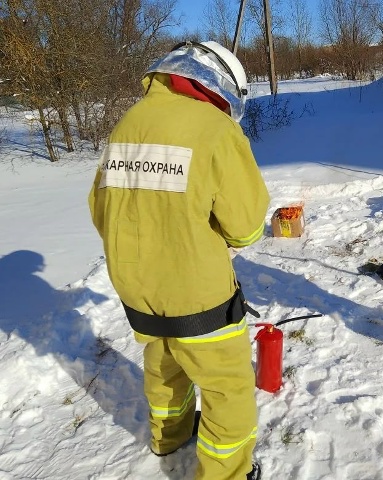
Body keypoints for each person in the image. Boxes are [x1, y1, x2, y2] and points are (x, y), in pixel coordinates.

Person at [88, 40, 270, 479]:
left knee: (164, 365)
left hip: (136, 287)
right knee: (227, 388)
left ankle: (168, 437)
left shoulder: (130, 122)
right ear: (223, 87)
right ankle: (227, 473)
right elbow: (245, 227)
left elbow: (100, 208)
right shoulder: (216, 129)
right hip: (197, 292)